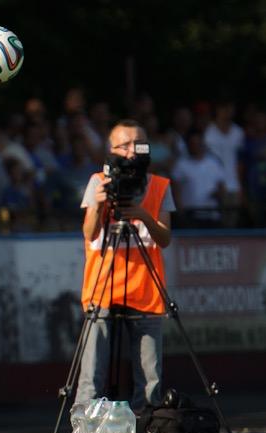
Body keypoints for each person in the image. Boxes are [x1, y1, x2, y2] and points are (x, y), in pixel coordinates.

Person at [76, 119, 175, 411]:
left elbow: (165, 237)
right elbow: (89, 233)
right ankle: (86, 431)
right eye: (124, 145)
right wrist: (97, 204)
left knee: (149, 378)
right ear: (111, 149)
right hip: (103, 286)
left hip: (145, 289)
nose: (132, 151)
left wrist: (143, 215)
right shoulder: (98, 181)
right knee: (92, 372)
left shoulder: (158, 185)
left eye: (138, 144)